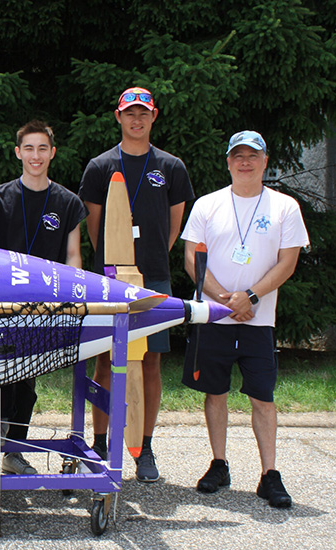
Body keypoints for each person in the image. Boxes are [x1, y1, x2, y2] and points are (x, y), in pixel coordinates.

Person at [180, 131, 308, 508]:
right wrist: (224, 298)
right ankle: (219, 465)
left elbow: (288, 262)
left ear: (265, 160)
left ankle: (269, 474)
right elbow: (192, 258)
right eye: (238, 156)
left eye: (252, 155)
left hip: (258, 319)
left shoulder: (284, 207)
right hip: (215, 317)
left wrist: (250, 296)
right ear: (228, 162)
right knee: (214, 394)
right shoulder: (208, 204)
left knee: (262, 398)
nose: (245, 162)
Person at [78, 87, 195, 482]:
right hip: (109, 279)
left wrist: (148, 261)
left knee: (151, 362)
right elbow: (95, 228)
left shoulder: (172, 167)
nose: (137, 119)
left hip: (154, 277)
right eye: (130, 113)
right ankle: (97, 442)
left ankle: (144, 447)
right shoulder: (99, 166)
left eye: (143, 113)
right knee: (105, 360)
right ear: (118, 116)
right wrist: (116, 263)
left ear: (154, 116)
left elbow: (174, 224)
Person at [0, 120, 86, 475]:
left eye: (43, 148)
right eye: (29, 148)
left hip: (46, 307)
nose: (36, 155)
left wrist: (70, 302)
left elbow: (73, 257)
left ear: (52, 153)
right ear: (18, 152)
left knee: (27, 381)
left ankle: (15, 453)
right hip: (3, 306)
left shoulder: (68, 202)